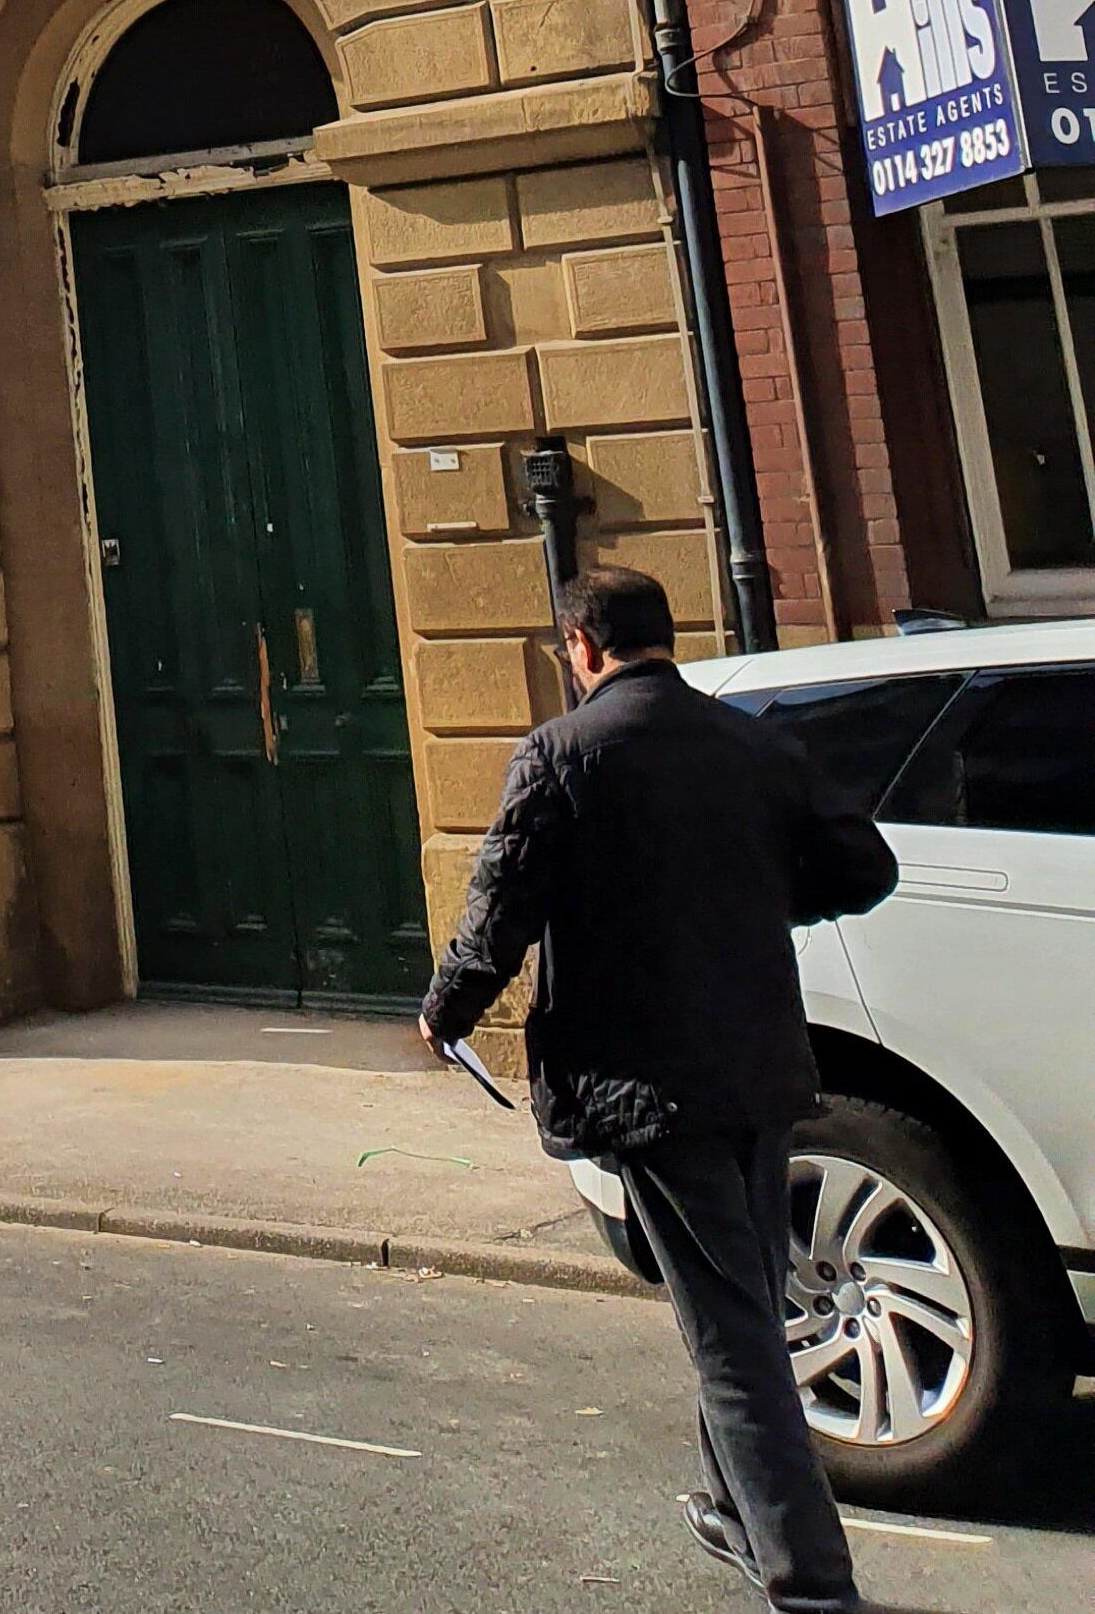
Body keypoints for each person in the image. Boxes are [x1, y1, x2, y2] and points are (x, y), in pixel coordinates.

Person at [420, 564, 897, 1612]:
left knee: (734, 1335)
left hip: (647, 1075)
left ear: (581, 646)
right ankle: (734, 1508)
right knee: (737, 1297)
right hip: (759, 1061)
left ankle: (811, 1579)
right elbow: (865, 866)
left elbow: (500, 908)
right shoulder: (751, 742)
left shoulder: (563, 753)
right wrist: (761, 897)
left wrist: (446, 1009)